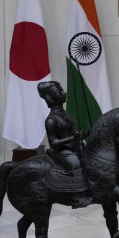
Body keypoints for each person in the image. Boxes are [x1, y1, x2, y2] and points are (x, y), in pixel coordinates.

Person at [38, 80, 91, 208]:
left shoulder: (66, 115)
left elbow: (70, 133)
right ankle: (76, 197)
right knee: (75, 163)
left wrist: (79, 135)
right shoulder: (51, 120)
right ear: (50, 98)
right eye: (59, 91)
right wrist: (73, 138)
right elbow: (54, 142)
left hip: (74, 147)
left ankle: (90, 186)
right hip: (61, 152)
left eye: (62, 90)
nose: (64, 92)